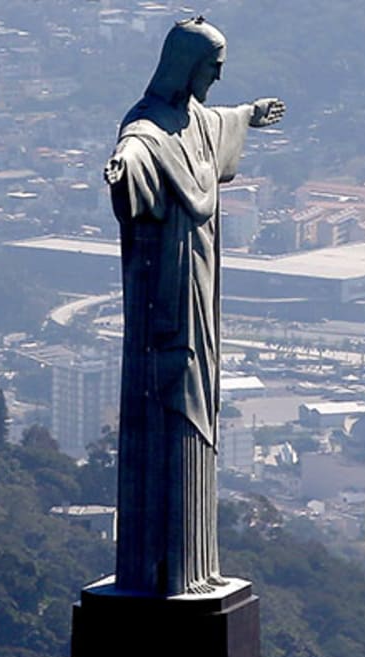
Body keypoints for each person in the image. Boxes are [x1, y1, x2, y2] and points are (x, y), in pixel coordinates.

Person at [104, 17, 284, 596]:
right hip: (168, 301)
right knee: (170, 410)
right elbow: (133, 151)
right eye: (213, 66)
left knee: (198, 401)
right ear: (186, 65)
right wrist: (123, 171)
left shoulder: (197, 122)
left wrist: (250, 114)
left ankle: (197, 568)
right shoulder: (149, 131)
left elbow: (217, 123)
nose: (219, 75)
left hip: (202, 292)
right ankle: (167, 571)